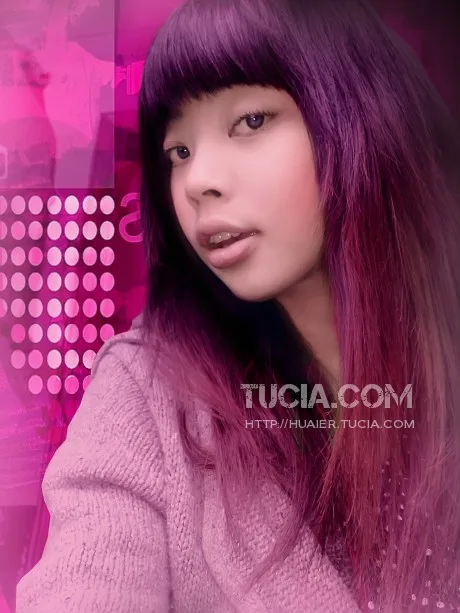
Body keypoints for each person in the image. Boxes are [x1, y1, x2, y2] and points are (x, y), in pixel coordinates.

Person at [15, 0, 460, 611]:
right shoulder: (144, 393)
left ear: (364, 116)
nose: (198, 181)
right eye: (178, 152)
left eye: (250, 121)